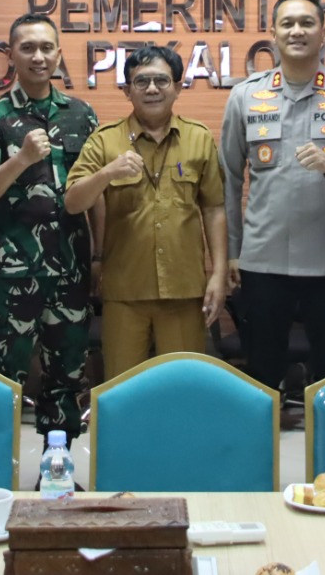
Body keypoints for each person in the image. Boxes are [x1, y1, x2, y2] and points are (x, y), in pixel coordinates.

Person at [221, 0, 325, 394]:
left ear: (323, 33)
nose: (297, 30)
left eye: (307, 22)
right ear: (273, 33)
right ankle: (264, 437)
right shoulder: (246, 94)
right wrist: (232, 251)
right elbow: (228, 178)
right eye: (288, 23)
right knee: (261, 379)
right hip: (262, 264)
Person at [0, 12, 99, 451]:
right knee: (1, 378)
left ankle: (55, 470)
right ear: (10, 55)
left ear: (59, 54)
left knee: (67, 377)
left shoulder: (82, 114)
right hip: (14, 274)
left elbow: (96, 195)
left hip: (71, 271)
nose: (38, 56)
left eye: (46, 48)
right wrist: (21, 159)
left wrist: (99, 257)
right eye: (27, 48)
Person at [65, 45, 228, 380]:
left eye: (161, 80)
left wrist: (219, 273)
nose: (152, 89)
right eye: (141, 82)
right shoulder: (105, 141)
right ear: (127, 91)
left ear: (178, 87)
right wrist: (106, 173)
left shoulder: (199, 138)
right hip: (125, 290)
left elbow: (214, 209)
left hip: (184, 290)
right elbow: (73, 202)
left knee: (182, 385)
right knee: (121, 389)